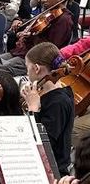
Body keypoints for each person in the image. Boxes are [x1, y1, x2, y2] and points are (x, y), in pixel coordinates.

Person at [22, 42, 76, 174]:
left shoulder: (58, 102)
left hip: (52, 171)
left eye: (27, 68)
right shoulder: (51, 93)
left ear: (36, 68)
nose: (26, 72)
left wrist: (33, 109)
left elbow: (43, 144)